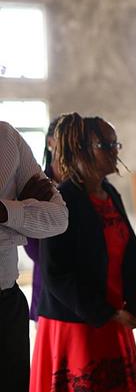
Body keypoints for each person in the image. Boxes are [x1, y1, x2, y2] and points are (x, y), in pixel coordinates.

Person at [30, 113, 136, 392]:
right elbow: (56, 274)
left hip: (111, 316)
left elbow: (127, 248)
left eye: (115, 145)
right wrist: (106, 312)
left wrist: (134, 293)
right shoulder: (62, 200)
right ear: (81, 150)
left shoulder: (109, 193)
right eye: (105, 146)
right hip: (76, 323)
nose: (114, 152)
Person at [0, 121, 68, 392]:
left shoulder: (7, 137)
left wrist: (6, 212)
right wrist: (19, 216)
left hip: (6, 304)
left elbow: (59, 218)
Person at [23, 116, 66, 323]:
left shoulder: (88, 186)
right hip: (49, 283)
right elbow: (31, 243)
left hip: (85, 289)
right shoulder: (38, 184)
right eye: (65, 139)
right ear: (50, 142)